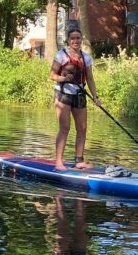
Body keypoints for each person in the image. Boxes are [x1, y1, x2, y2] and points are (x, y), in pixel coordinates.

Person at [50, 28, 101, 171]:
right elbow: (52, 75)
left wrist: (95, 97)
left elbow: (90, 79)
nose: (75, 41)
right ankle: (59, 162)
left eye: (78, 38)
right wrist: (63, 78)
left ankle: (79, 161)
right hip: (63, 94)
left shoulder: (86, 58)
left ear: (81, 39)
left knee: (82, 128)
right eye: (72, 38)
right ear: (68, 40)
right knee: (65, 128)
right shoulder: (61, 55)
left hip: (79, 95)